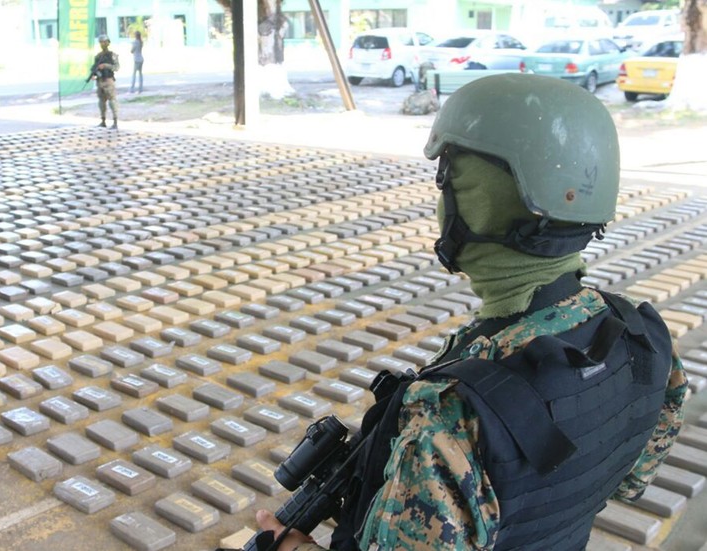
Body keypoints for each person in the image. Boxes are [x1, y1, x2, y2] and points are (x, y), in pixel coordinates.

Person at [253, 73, 688, 551]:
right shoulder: (644, 338)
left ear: (490, 207)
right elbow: (631, 479)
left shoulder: (450, 421)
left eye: (451, 184)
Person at [91, 35, 119, 129]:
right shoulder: (98, 56)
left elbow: (116, 67)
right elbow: (94, 68)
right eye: (101, 42)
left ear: (108, 43)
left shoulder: (112, 55)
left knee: (112, 101)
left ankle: (115, 121)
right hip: (100, 81)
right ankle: (103, 121)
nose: (103, 44)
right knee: (101, 102)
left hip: (109, 81)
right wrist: (94, 74)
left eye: (104, 42)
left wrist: (106, 66)